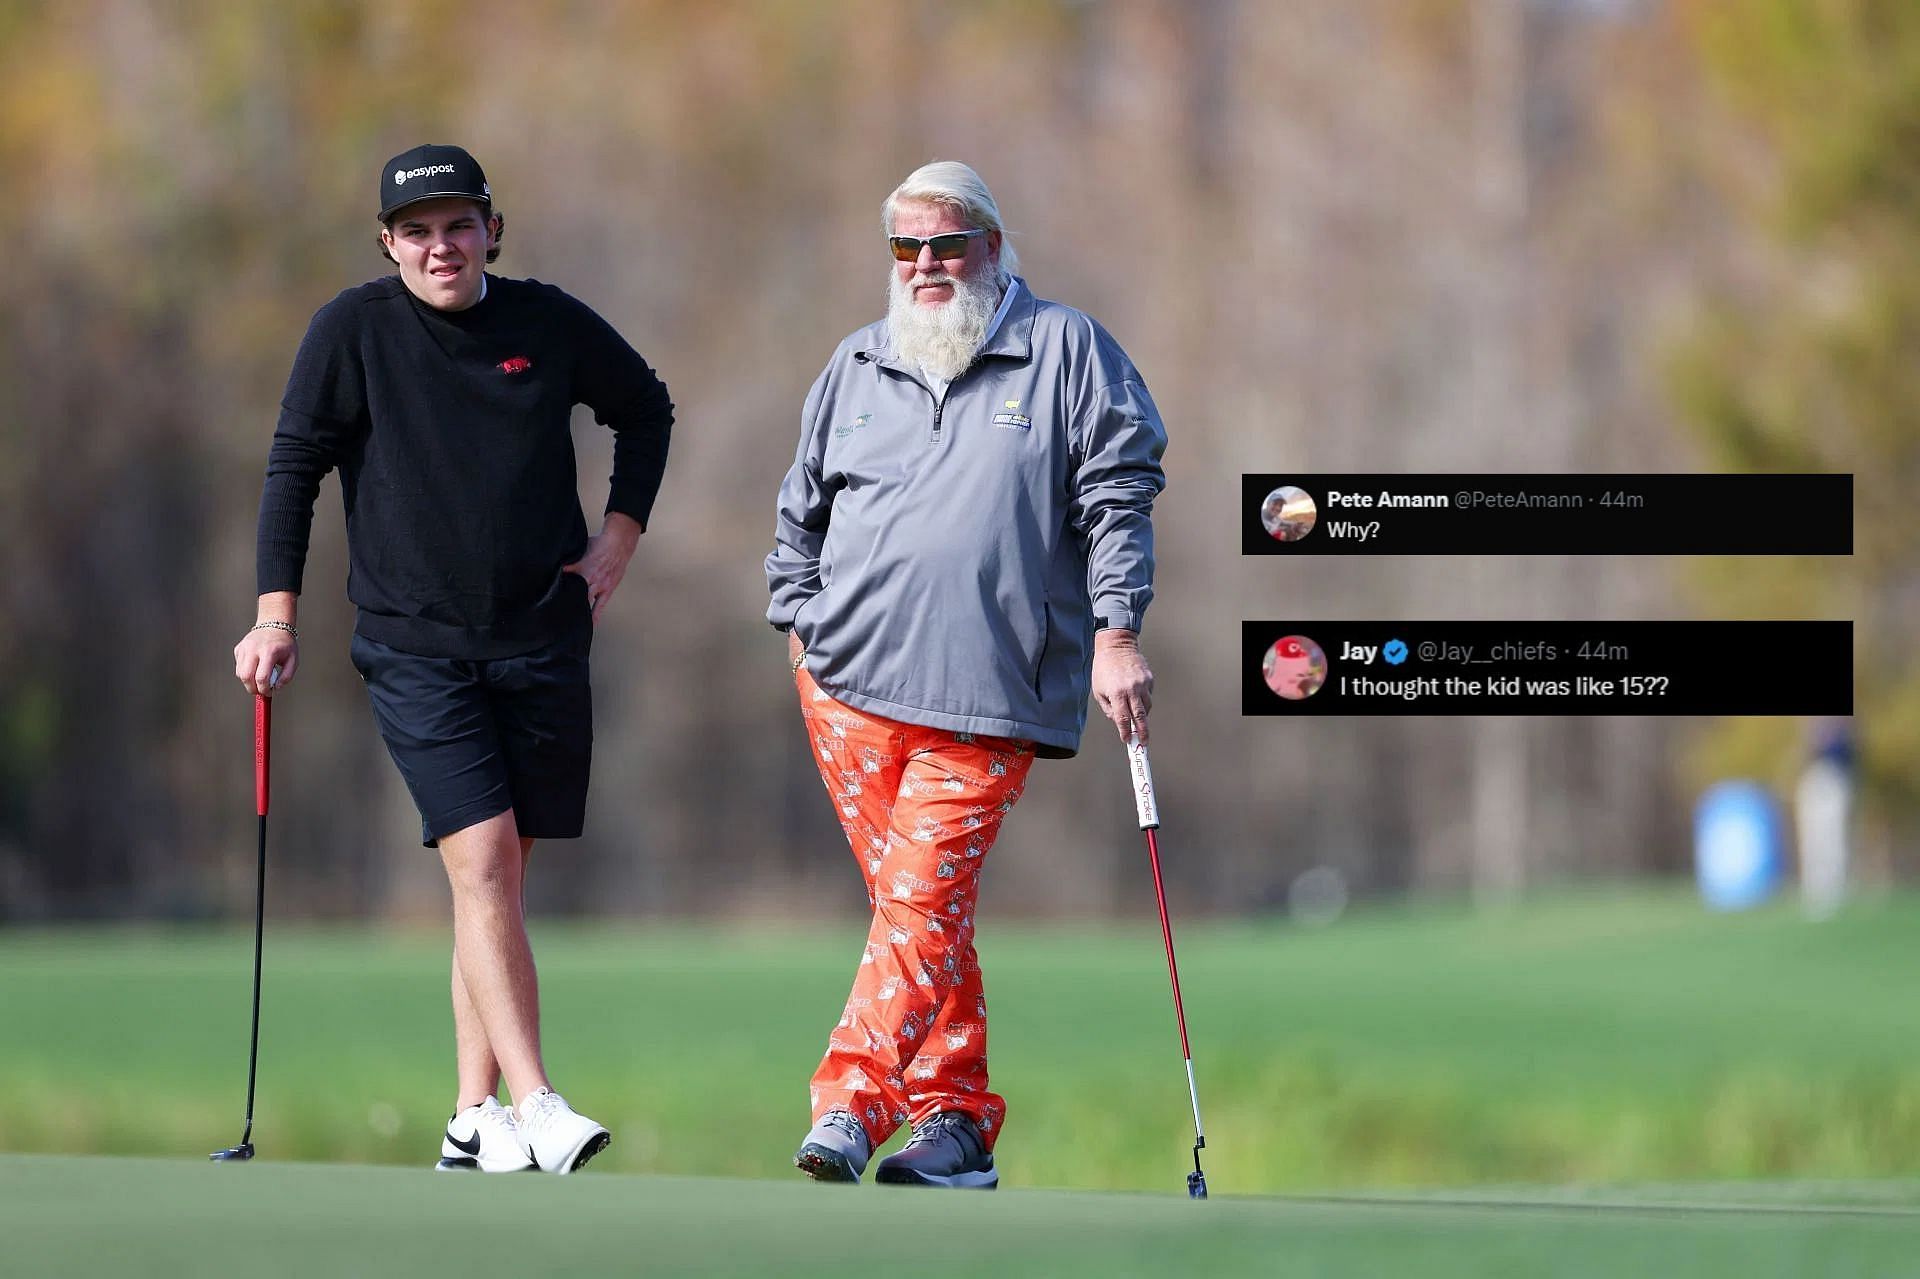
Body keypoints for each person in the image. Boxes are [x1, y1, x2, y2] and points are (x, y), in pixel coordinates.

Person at [232, 143, 673, 1174]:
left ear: (491, 230)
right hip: (414, 644)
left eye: (459, 224)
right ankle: (539, 1102)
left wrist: (619, 537)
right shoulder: (354, 330)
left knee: (499, 881)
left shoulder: (546, 321)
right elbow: (294, 468)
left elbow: (644, 407)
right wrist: (275, 617)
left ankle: (472, 1115)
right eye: (417, 231)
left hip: (540, 635)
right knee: (479, 862)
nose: (441, 246)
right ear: (389, 244)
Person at [766, 160, 1166, 1188]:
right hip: (846, 690)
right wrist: (802, 627)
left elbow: (1119, 491)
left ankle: (849, 1105)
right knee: (921, 912)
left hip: (988, 696)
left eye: (947, 242)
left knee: (917, 902)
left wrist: (1117, 630)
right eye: (907, 248)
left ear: (993, 244)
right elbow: (798, 517)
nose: (927, 265)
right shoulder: (855, 362)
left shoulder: (1064, 349)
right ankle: (955, 1128)